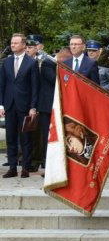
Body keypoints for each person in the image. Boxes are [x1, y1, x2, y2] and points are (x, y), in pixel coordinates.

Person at [0, 34, 39, 178]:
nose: (12, 45)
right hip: (9, 105)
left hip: (25, 106)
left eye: (16, 43)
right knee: (10, 138)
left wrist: (33, 106)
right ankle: (12, 168)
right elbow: (2, 84)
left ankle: (25, 168)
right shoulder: (7, 62)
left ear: (23, 45)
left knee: (26, 138)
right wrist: (1, 105)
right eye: (11, 43)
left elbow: (35, 87)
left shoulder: (31, 63)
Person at [26, 36, 56, 172]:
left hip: (42, 102)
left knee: (42, 134)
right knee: (28, 132)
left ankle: (43, 160)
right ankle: (29, 160)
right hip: (27, 101)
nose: (29, 49)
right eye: (28, 46)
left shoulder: (46, 60)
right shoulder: (23, 61)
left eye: (33, 46)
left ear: (40, 47)